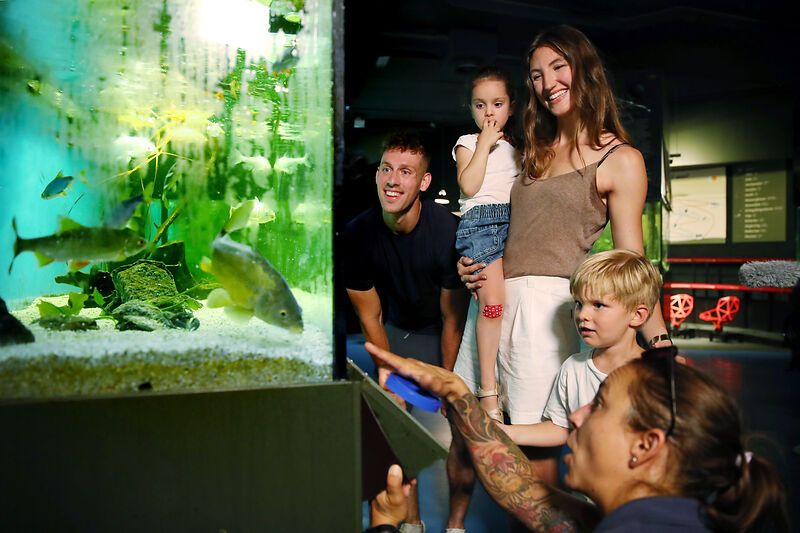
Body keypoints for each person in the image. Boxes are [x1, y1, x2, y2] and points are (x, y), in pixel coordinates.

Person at [453, 24, 673, 485]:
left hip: (547, 316)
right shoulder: (531, 151)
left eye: (558, 66)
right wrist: (472, 260)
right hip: (494, 307)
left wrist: (660, 345)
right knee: (477, 441)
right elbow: (501, 222)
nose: (547, 82)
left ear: (585, 70)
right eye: (535, 75)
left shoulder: (621, 159)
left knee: (534, 465)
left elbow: (633, 265)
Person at [366, 343, 790, 532]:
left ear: (646, 445)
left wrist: (384, 528)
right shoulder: (670, 515)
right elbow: (525, 493)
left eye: (600, 404)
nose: (576, 414)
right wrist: (459, 394)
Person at [341, 130, 470, 532]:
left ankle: (455, 525)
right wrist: (389, 373)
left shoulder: (448, 232)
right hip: (396, 329)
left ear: (424, 182)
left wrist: (447, 381)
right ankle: (411, 522)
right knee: (393, 424)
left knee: (462, 429)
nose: (393, 180)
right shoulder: (357, 236)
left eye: (405, 171)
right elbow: (370, 318)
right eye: (386, 169)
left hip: (444, 330)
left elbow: (453, 318)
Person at [500, 249, 660, 449]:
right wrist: (507, 432)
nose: (582, 314)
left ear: (637, 315)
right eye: (579, 303)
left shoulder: (655, 374)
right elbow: (561, 428)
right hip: (585, 476)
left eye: (598, 305)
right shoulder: (573, 368)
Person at [453, 66, 520, 423]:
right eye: (480, 106)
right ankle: (488, 391)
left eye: (497, 104)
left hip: (513, 226)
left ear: (511, 107)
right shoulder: (467, 143)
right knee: (492, 305)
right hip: (481, 224)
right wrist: (483, 144)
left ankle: (494, 387)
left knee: (501, 306)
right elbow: (469, 186)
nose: (489, 113)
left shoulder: (519, 149)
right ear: (471, 110)